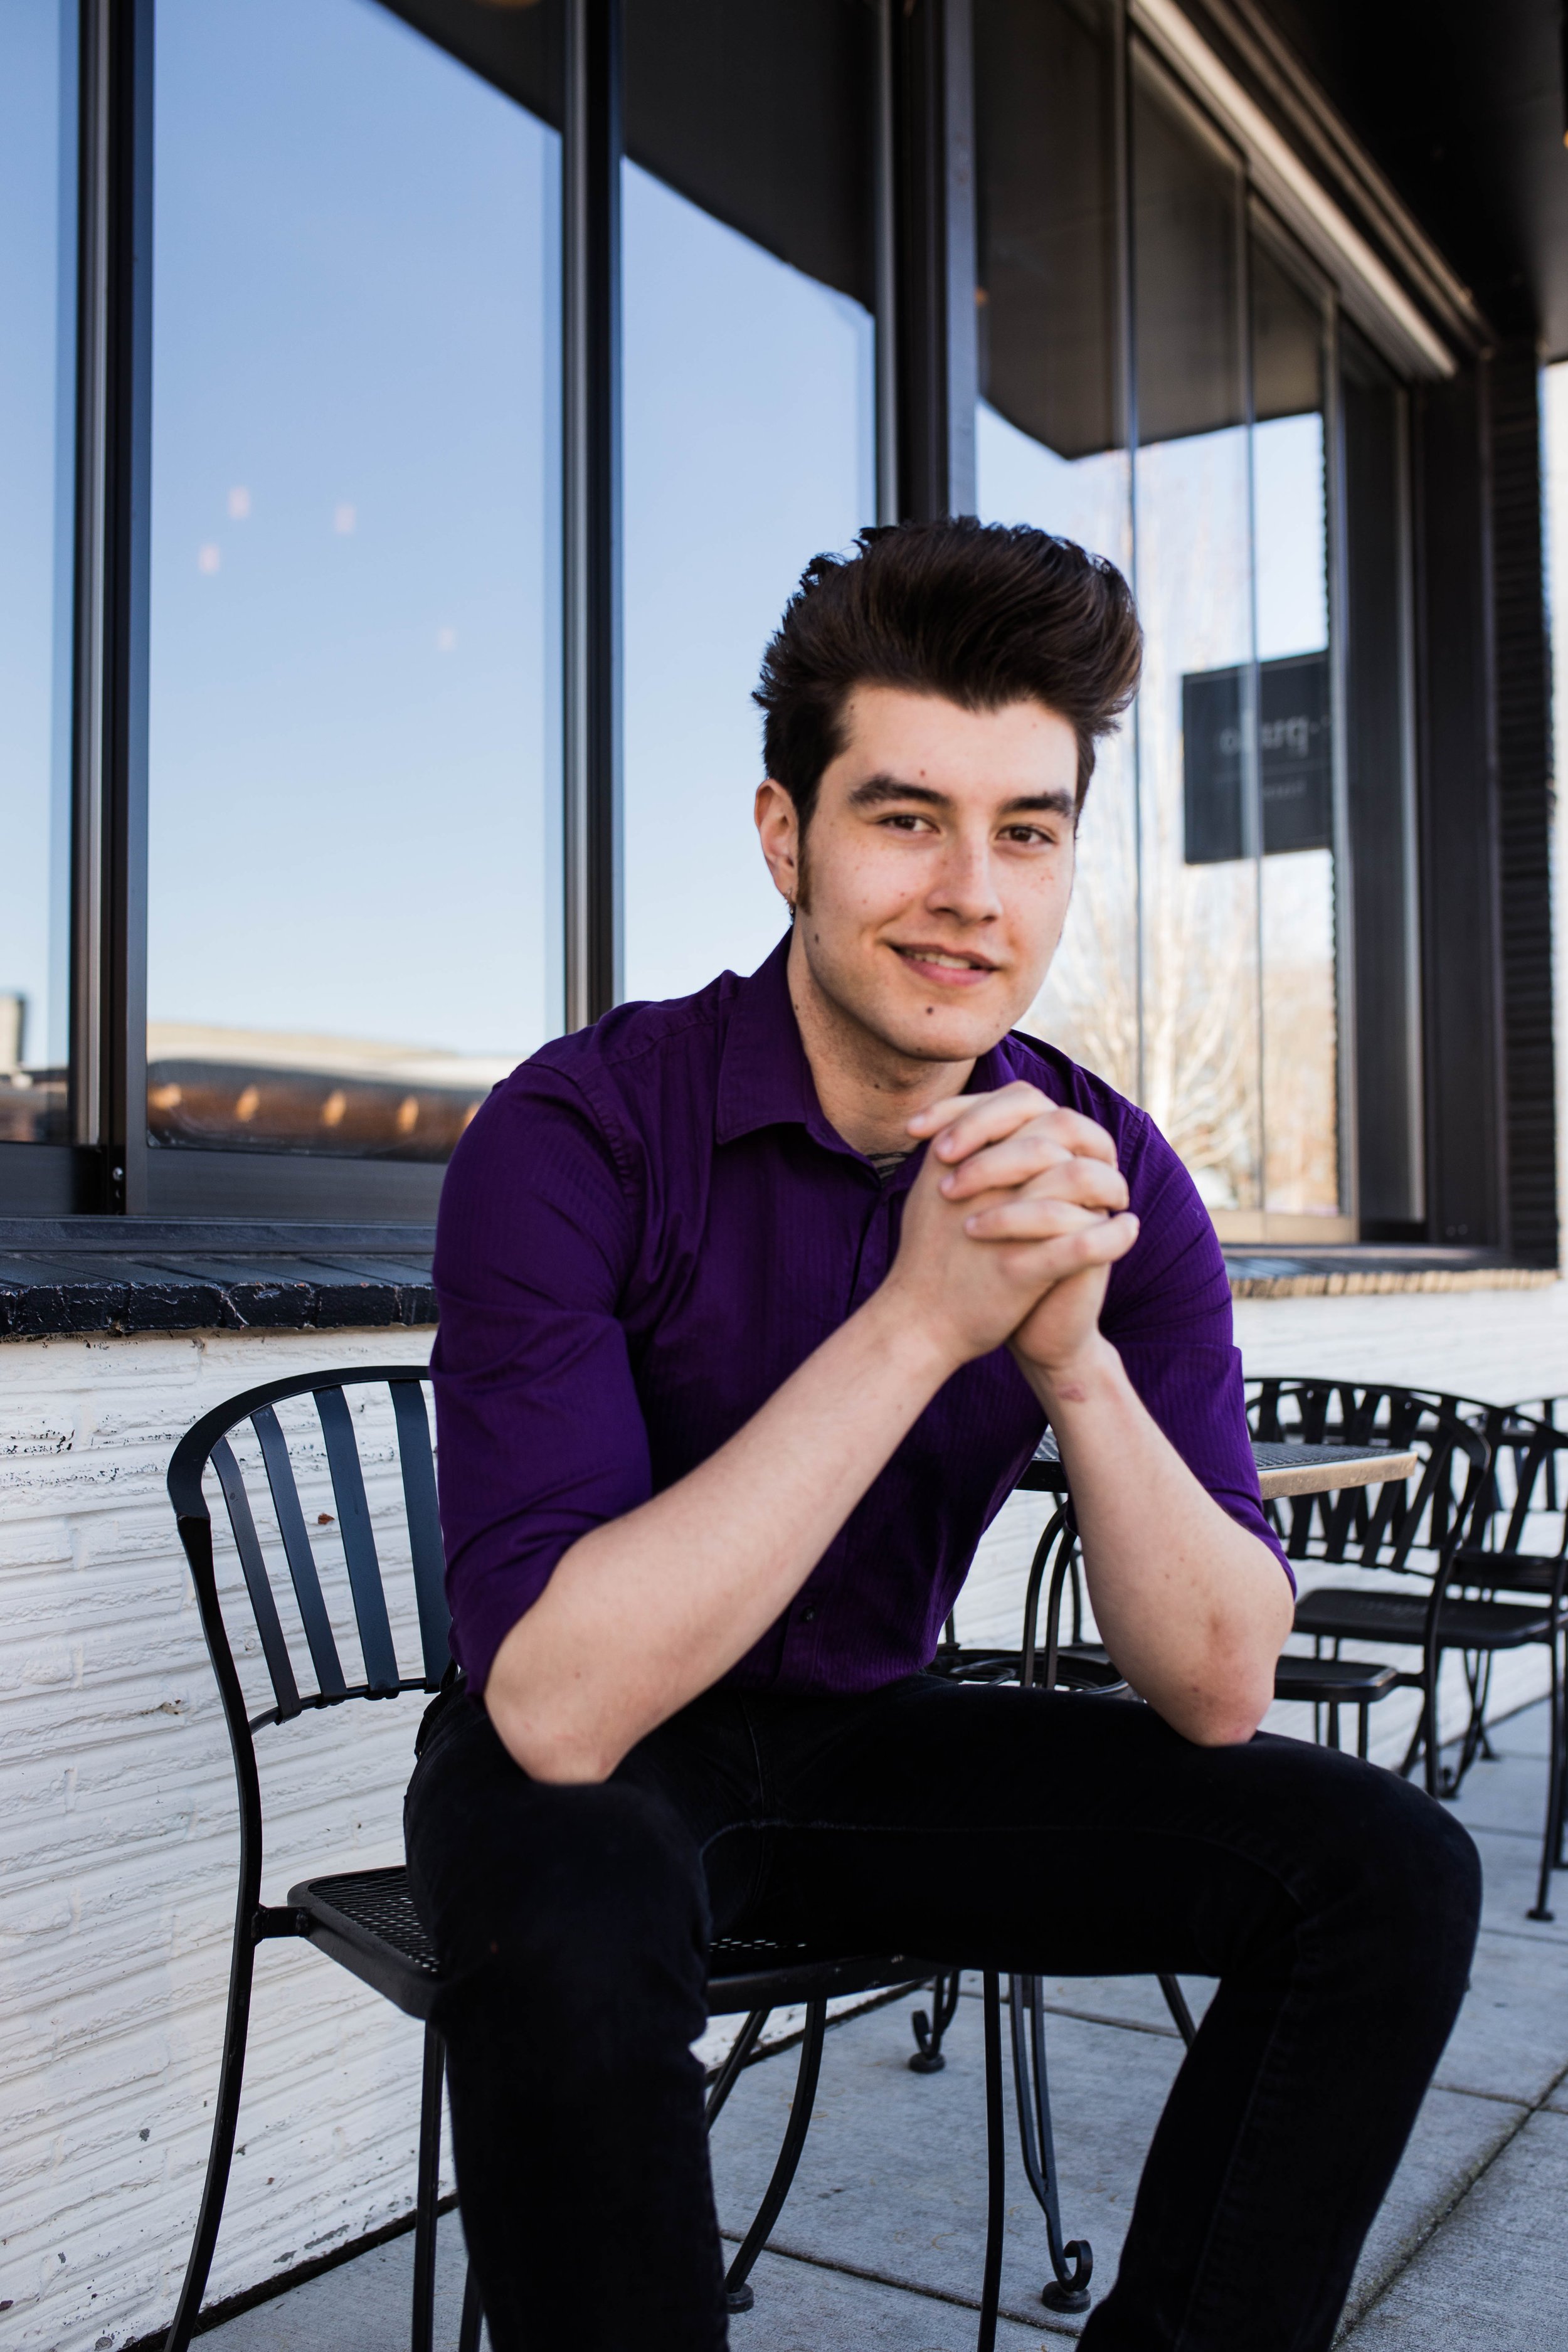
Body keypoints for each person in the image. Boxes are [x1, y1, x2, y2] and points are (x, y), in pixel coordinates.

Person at [407, 518, 1480, 2352]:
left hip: (878, 1748)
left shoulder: (1104, 1172)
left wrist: (1071, 1360)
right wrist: (918, 1324)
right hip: (602, 1758)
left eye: (1029, 831)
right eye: (906, 817)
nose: (972, 893)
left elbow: (1218, 1685)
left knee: (1387, 1870)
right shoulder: (577, 1132)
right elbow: (560, 1709)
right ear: (785, 838)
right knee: (567, 1894)